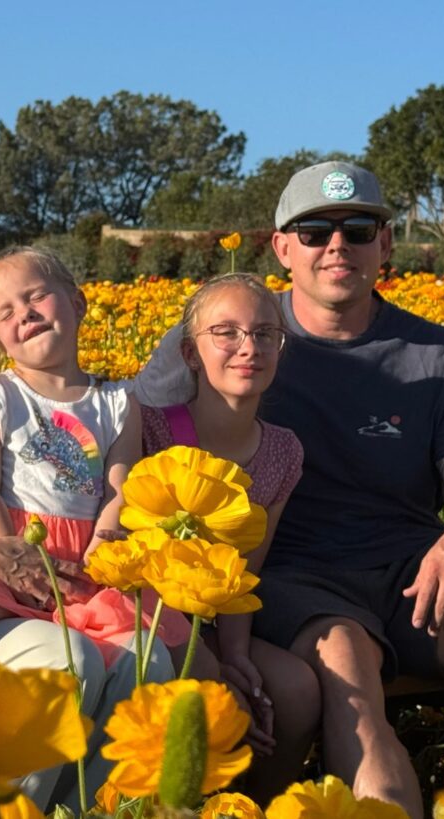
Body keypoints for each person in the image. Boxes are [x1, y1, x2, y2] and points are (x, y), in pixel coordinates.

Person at [134, 161, 444, 819]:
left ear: (385, 245)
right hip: (291, 576)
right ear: (281, 248)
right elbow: (132, 437)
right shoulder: (236, 333)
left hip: (411, 580)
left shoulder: (438, 355)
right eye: (314, 232)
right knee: (344, 653)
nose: (338, 245)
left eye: (359, 229)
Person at [0, 246, 179, 811]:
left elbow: (118, 493)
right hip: (3, 552)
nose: (25, 313)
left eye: (37, 295)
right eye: (6, 311)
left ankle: (88, 800)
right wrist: (12, 559)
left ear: (78, 301)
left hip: (82, 565)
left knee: (152, 660)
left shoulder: (116, 401)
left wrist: (103, 554)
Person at [139, 272, 320, 801]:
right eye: (226, 333)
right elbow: (136, 562)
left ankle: (253, 807)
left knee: (296, 690)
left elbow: (245, 570)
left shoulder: (284, 451)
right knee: (229, 709)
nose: (249, 348)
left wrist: (236, 653)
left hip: (216, 622)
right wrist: (213, 665)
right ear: (190, 354)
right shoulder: (149, 428)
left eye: (266, 334)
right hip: (149, 620)